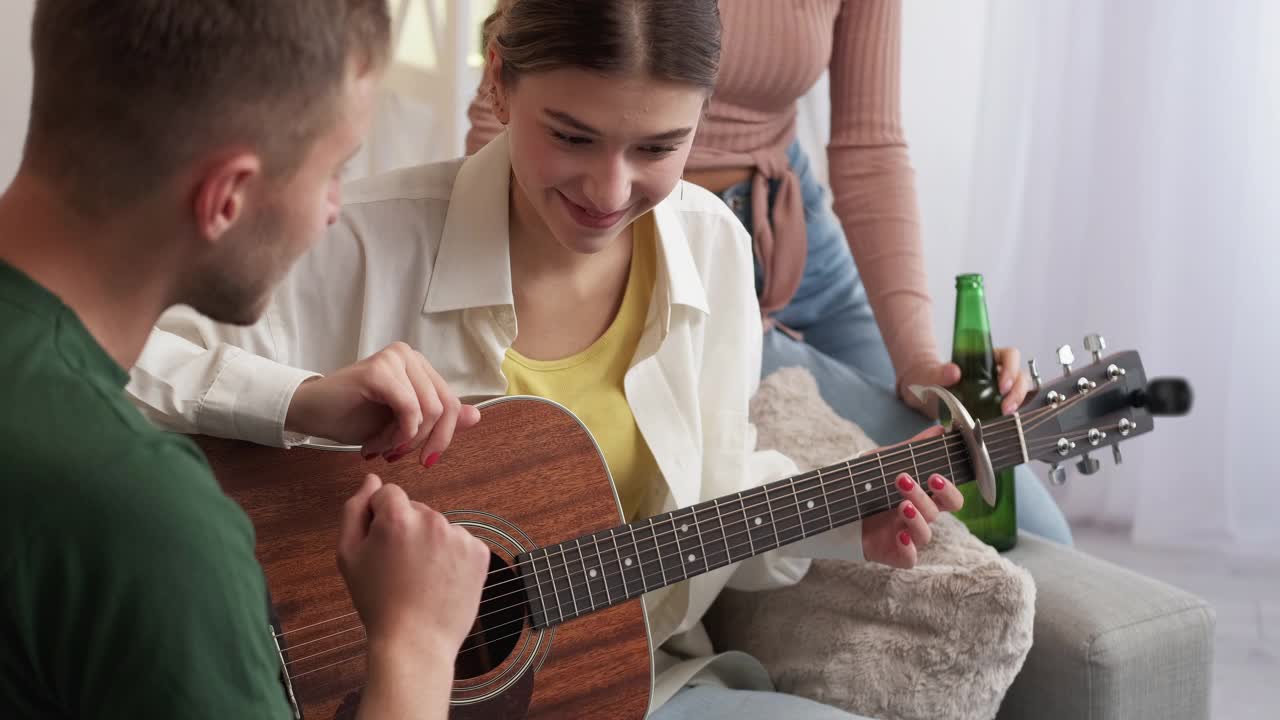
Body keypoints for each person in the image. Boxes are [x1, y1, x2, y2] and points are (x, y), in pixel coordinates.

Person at [127, 2, 968, 717]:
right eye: (572, 136)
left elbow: (704, 501)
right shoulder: (356, 239)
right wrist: (302, 398)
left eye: (656, 148)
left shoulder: (715, 252)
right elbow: (111, 363)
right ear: (498, 80)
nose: (608, 192)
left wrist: (839, 525)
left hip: (618, 687)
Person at [0, 3, 489, 718]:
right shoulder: (147, 520)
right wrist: (416, 643)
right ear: (227, 197)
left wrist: (294, 399)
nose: (333, 209)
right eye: (335, 171)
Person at [466, 0, 1074, 546]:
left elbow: (870, 145)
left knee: (1035, 525)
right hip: (653, 250)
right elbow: (519, 98)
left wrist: (918, 365)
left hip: (798, 235)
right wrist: (509, 294)